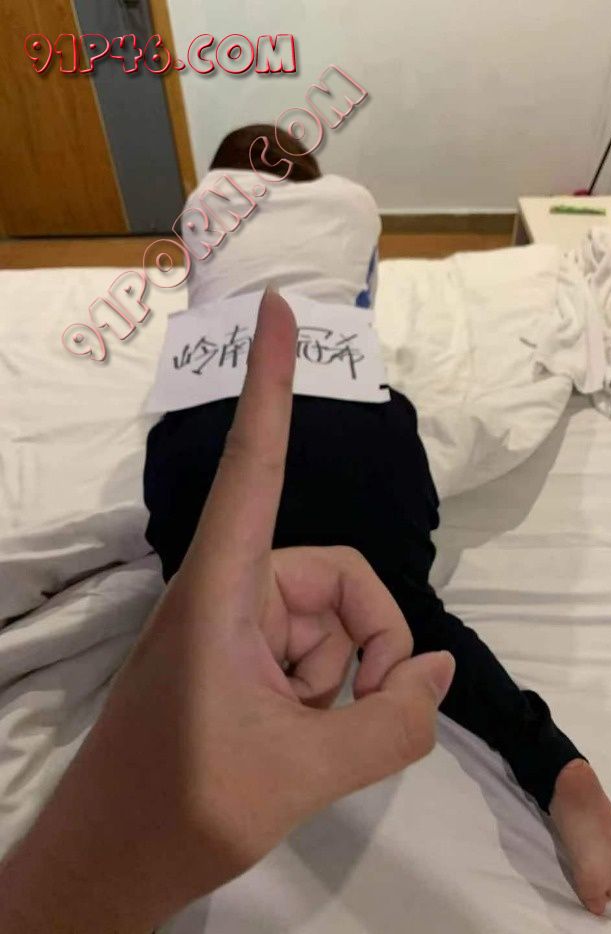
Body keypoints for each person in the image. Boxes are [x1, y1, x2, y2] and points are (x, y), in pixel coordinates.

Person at [146, 126, 611, 917]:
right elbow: (359, 307)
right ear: (311, 174)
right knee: (410, 607)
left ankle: (223, 713)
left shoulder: (204, 205)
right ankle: (553, 767)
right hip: (354, 431)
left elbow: (205, 301)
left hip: (214, 428)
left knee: (196, 604)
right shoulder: (353, 204)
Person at [0, 293, 455, 932]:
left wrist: (78, 885)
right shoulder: (323, 237)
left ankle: (558, 772)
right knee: (414, 608)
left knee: (402, 601)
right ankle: (558, 770)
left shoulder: (222, 221)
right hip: (274, 392)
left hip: (259, 393)